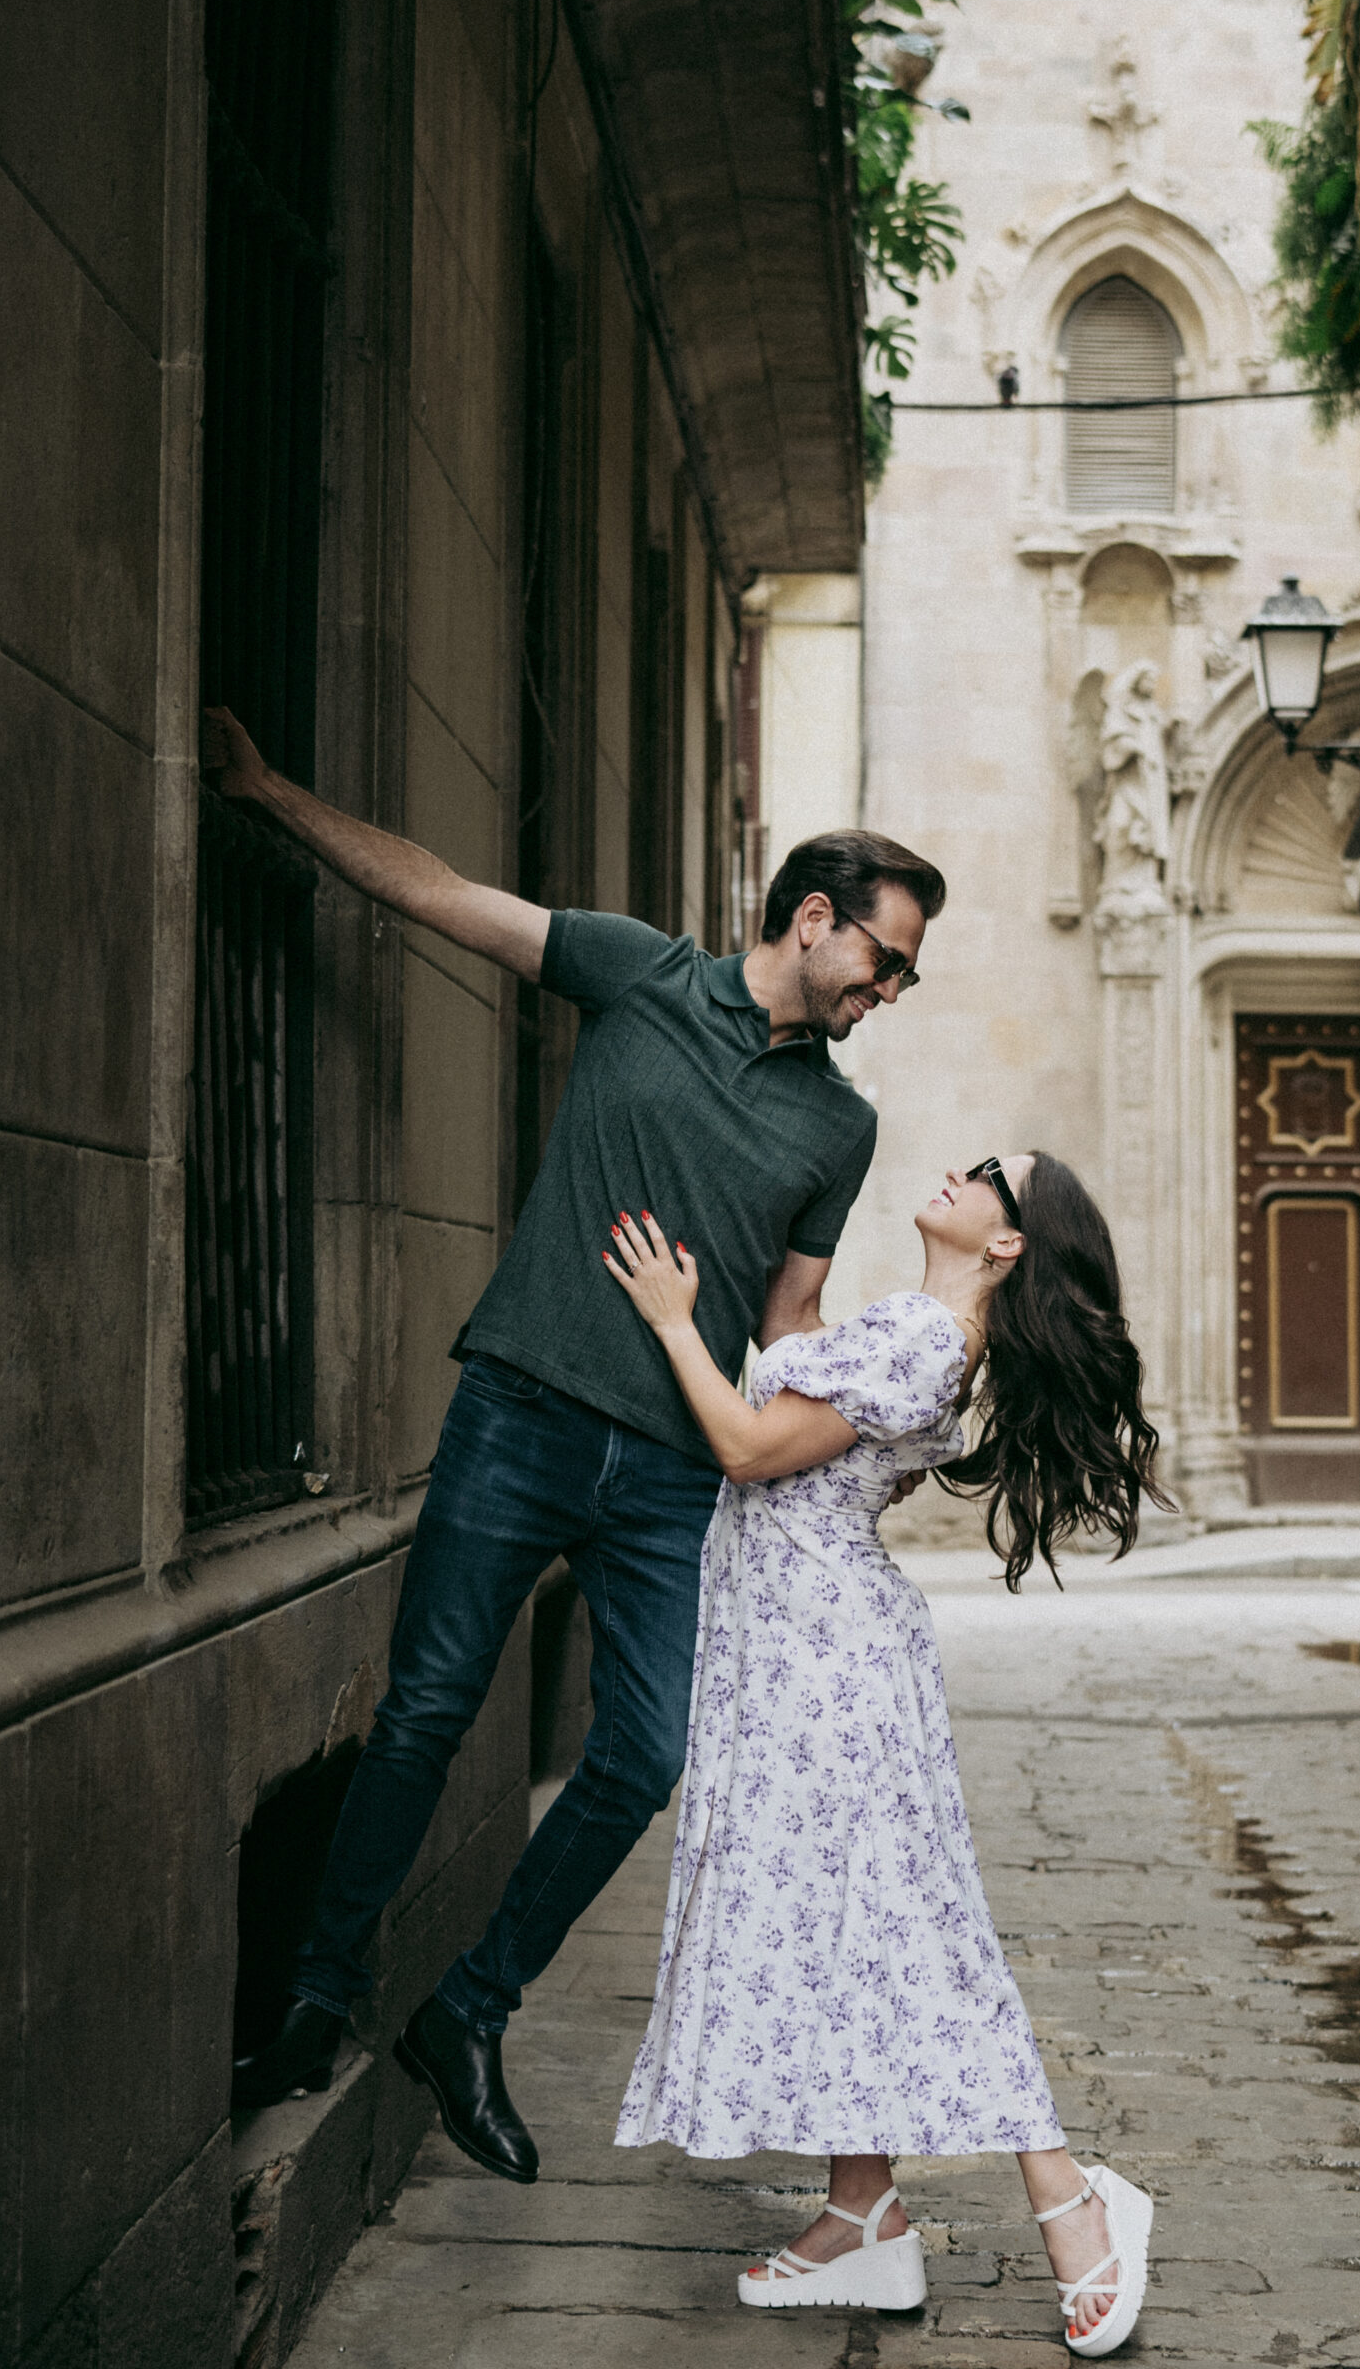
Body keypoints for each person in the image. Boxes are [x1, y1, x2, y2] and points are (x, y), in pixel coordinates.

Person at [204, 705, 945, 2187]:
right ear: (812, 920)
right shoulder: (638, 973)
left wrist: (849, 1445)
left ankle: (467, 2010)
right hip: (520, 1414)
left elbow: (792, 1326)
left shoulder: (835, 1132)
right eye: (885, 958)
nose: (891, 990)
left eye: (906, 973)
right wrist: (266, 791)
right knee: (424, 1712)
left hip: (670, 1476)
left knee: (646, 1754)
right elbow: (434, 890)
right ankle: (312, 2006)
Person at [603, 1150, 1172, 2354]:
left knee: (917, 1933)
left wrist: (667, 1321)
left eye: (984, 1178)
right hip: (802, 1653)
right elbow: (790, 1328)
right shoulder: (912, 1323)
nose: (953, 1175)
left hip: (829, 1669)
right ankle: (862, 2215)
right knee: (838, 1930)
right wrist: (805, 1176)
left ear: (1008, 1243)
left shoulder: (927, 1335)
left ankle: (1071, 2201)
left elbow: (750, 1448)